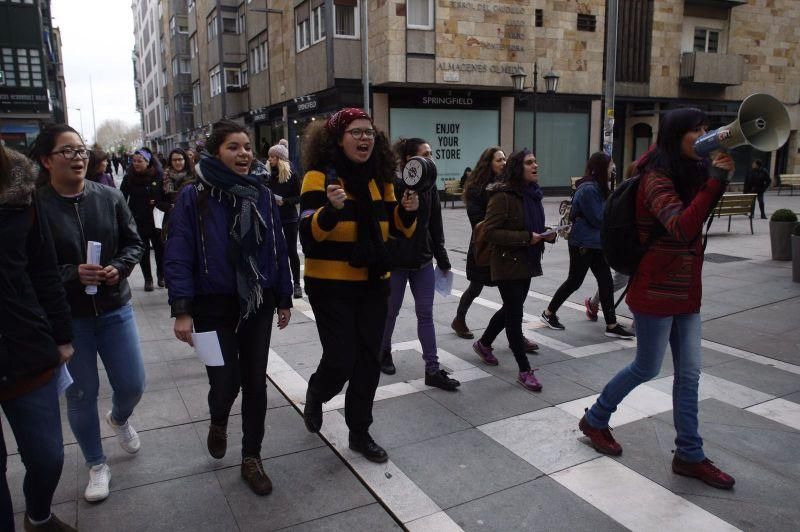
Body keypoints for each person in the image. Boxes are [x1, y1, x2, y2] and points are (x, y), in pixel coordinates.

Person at [579, 108, 736, 490]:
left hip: (686, 290)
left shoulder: (691, 171)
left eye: (705, 127)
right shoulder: (655, 177)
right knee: (647, 367)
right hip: (655, 289)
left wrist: (714, 179)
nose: (703, 134)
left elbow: (696, 221)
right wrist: (715, 181)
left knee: (689, 375)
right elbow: (682, 227)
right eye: (694, 130)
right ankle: (596, 419)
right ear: (675, 135)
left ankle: (689, 454)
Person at [165, 120, 293, 496]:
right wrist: (182, 308)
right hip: (211, 305)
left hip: (258, 300)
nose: (244, 154)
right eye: (233, 147)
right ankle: (218, 418)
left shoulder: (262, 194)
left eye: (247, 147)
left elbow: (278, 249)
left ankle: (251, 457)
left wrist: (283, 297)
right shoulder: (194, 195)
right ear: (215, 152)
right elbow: (178, 251)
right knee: (225, 382)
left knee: (254, 382)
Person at [33, 123, 146, 503]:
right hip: (69, 319)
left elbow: (134, 242)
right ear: (47, 160)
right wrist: (71, 274)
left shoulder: (109, 197)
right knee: (81, 395)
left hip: (115, 308)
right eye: (67, 151)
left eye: (81, 151)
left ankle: (119, 417)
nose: (78, 158)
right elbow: (30, 266)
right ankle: (97, 464)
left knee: (132, 384)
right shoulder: (35, 207)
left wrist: (120, 267)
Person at [299, 108, 418, 463]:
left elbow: (397, 228)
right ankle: (318, 391)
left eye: (369, 132)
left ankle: (359, 432)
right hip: (329, 284)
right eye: (356, 132)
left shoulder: (380, 179)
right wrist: (330, 210)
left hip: (373, 281)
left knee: (368, 361)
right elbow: (307, 233)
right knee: (341, 357)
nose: (365, 138)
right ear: (338, 138)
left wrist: (408, 210)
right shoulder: (319, 177)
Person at [0, 145, 76, 531]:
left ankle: (39, 515)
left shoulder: (20, 192)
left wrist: (62, 336)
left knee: (47, 457)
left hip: (23, 345)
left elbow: (44, 271)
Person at [379, 138, 459, 391]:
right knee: (390, 312)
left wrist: (443, 259)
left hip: (423, 260)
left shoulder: (430, 187)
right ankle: (383, 352)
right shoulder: (393, 185)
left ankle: (432, 369)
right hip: (397, 262)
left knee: (426, 315)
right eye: (425, 154)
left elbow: (435, 225)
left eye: (431, 153)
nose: (431, 158)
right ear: (408, 161)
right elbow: (387, 225)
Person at [473, 150, 555, 391]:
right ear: (518, 167)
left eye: (536, 161)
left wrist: (545, 234)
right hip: (507, 262)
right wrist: (527, 237)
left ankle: (484, 343)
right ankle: (524, 369)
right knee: (515, 315)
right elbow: (490, 232)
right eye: (529, 162)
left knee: (511, 307)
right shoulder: (503, 196)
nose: (535, 165)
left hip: (527, 260)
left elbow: (532, 227)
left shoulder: (532, 195)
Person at [452, 147, 539, 354]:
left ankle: (514, 336)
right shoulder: (477, 189)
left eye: (505, 159)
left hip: (506, 250)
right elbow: (479, 223)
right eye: (499, 160)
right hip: (485, 248)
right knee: (476, 288)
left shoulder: (510, 186)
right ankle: (460, 319)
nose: (504, 163)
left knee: (513, 299)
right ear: (488, 163)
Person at [541, 152, 634, 339]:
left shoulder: (598, 187)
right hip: (583, 243)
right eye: (610, 165)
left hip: (595, 244)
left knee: (606, 281)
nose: (613, 168)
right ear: (601, 167)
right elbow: (599, 218)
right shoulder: (589, 189)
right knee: (575, 281)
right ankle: (548, 313)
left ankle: (611, 324)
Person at [121, 148, 166, 291]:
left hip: (157, 219)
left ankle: (161, 275)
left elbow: (165, 195)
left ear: (147, 162)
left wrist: (158, 202)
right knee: (143, 251)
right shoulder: (129, 178)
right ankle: (148, 279)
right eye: (134, 161)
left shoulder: (158, 175)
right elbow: (121, 198)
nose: (136, 164)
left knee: (160, 249)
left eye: (139, 161)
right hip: (138, 220)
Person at [266, 141, 303, 298]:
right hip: (273, 217)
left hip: (289, 217)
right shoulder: (266, 176)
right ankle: (280, 284)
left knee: (291, 251)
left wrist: (285, 201)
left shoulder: (291, 175)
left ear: (280, 158)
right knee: (275, 252)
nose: (270, 159)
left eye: (273, 156)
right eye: (269, 156)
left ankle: (296, 284)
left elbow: (300, 196)